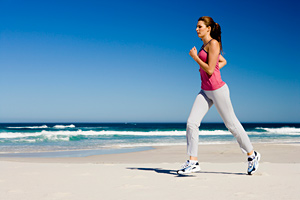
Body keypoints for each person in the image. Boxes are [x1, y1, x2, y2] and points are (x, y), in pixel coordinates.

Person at [177, 16, 260, 175]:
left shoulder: (213, 43)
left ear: (208, 29)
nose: (197, 29)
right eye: (196, 26)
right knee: (191, 123)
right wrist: (211, 67)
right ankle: (193, 161)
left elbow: (209, 69)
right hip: (205, 90)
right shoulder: (205, 45)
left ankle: (252, 155)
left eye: (200, 26)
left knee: (232, 124)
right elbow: (222, 62)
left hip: (218, 90)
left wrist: (195, 58)